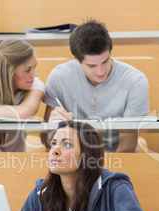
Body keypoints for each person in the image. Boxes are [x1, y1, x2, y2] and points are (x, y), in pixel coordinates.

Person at [16, 121, 152, 211]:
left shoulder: (115, 187)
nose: (55, 151)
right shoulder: (40, 193)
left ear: (87, 155)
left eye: (66, 144)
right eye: (53, 143)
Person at [42, 19, 150, 153]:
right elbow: (46, 141)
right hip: (72, 160)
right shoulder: (58, 77)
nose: (100, 72)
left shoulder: (135, 81)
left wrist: (102, 172)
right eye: (92, 65)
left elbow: (127, 146)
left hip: (117, 161)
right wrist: (52, 126)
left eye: (105, 61)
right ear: (75, 58)